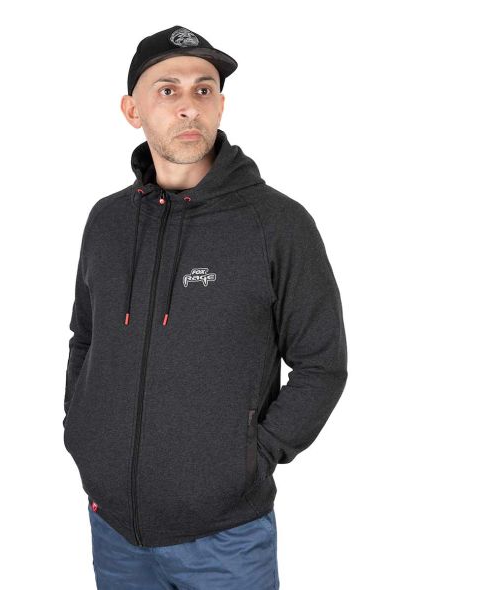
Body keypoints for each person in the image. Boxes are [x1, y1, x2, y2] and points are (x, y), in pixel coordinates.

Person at [63, 24, 348, 590]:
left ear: (220, 104)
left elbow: (322, 364)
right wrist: (83, 430)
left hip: (225, 540)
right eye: (167, 90)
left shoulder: (277, 224)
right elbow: (85, 338)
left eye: (204, 89)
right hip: (113, 528)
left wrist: (251, 457)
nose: (188, 106)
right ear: (132, 110)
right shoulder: (107, 221)